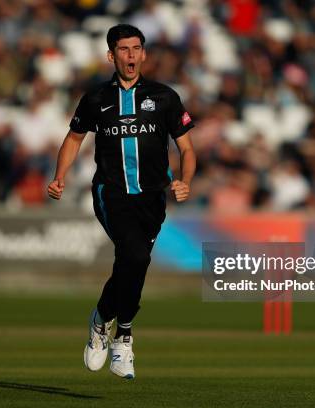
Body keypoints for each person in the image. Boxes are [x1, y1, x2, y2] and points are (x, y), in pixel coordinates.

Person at [47, 24, 196, 379]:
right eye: (123, 50)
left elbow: (187, 148)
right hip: (111, 194)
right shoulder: (96, 98)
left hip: (153, 197)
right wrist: (60, 176)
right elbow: (73, 138)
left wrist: (185, 181)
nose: (131, 56)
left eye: (136, 49)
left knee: (133, 264)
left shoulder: (165, 97)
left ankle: (101, 319)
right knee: (135, 256)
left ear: (144, 54)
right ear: (111, 56)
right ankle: (123, 338)